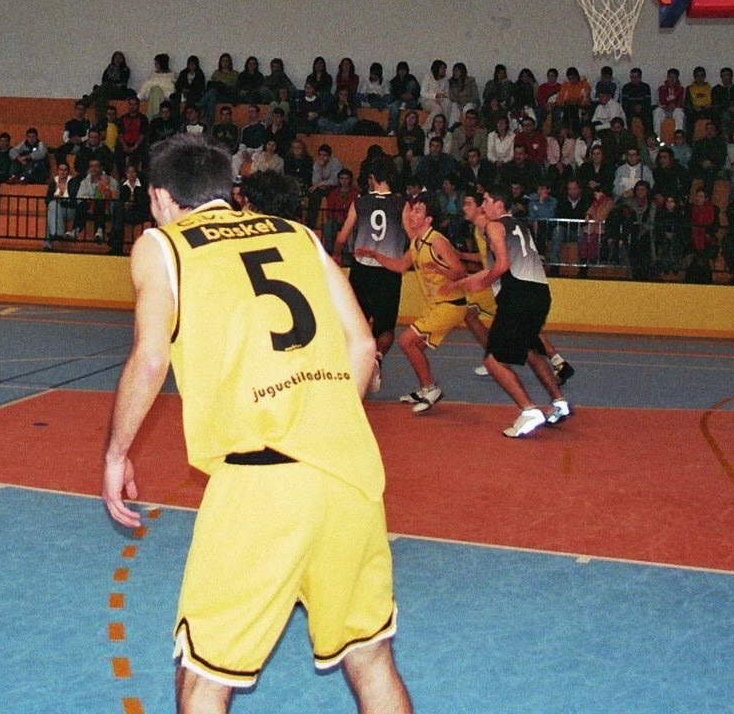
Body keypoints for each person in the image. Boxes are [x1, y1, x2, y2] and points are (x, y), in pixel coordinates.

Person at [102, 135, 413, 713]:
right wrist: (323, 416)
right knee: (371, 659)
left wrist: (117, 454)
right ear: (228, 189)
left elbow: (150, 358)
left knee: (203, 675)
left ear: (161, 197)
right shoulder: (300, 236)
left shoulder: (161, 246)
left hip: (260, 484)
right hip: (347, 474)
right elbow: (364, 345)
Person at [443, 190, 570, 437]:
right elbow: (495, 267)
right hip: (540, 293)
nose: (483, 206)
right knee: (531, 351)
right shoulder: (519, 226)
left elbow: (501, 266)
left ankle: (528, 411)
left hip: (517, 295)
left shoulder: (494, 227)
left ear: (499, 204)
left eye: (486, 201)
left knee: (492, 361)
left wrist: (483, 283)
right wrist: (461, 283)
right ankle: (559, 402)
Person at [356, 193, 479, 414]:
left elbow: (460, 271)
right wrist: (374, 255)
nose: (412, 214)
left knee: (406, 341)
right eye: (412, 209)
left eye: (417, 210)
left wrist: (440, 269)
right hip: (437, 306)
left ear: (428, 219)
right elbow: (399, 265)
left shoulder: (437, 241)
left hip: (451, 305)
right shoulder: (417, 242)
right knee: (416, 347)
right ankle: (425, 388)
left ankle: (430, 388)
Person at [334, 158, 408, 393]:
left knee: (356, 322)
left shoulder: (360, 202)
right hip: (389, 271)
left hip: (362, 270)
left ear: (372, 178)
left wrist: (337, 255)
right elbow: (414, 237)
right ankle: (377, 357)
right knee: (385, 328)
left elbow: (342, 237)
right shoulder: (401, 204)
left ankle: (353, 370)